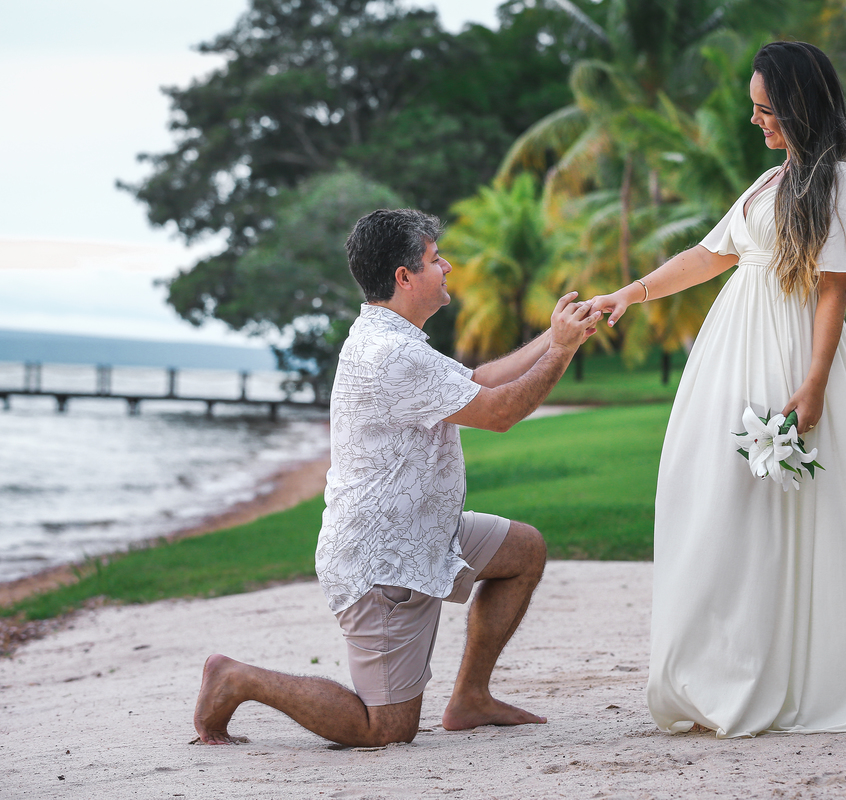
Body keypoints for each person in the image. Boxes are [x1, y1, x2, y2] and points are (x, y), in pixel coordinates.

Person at [589, 41, 846, 738]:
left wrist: (814, 383)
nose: (755, 120)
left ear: (799, 108)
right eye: (753, 108)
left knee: (786, 511)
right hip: (729, 358)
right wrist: (630, 293)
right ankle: (722, 668)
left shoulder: (839, 185)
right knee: (715, 505)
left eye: (766, 109)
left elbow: (834, 291)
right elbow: (709, 256)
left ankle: (794, 674)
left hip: (791, 356)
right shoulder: (769, 184)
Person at [194, 208, 601, 747]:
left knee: (523, 550)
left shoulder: (393, 339)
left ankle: (471, 699)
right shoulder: (391, 353)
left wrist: (554, 336)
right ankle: (237, 678)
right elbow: (499, 413)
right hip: (382, 560)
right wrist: (564, 350)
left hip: (427, 534)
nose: (447, 267)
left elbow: (478, 381)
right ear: (404, 277)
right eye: (435, 260)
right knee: (384, 729)